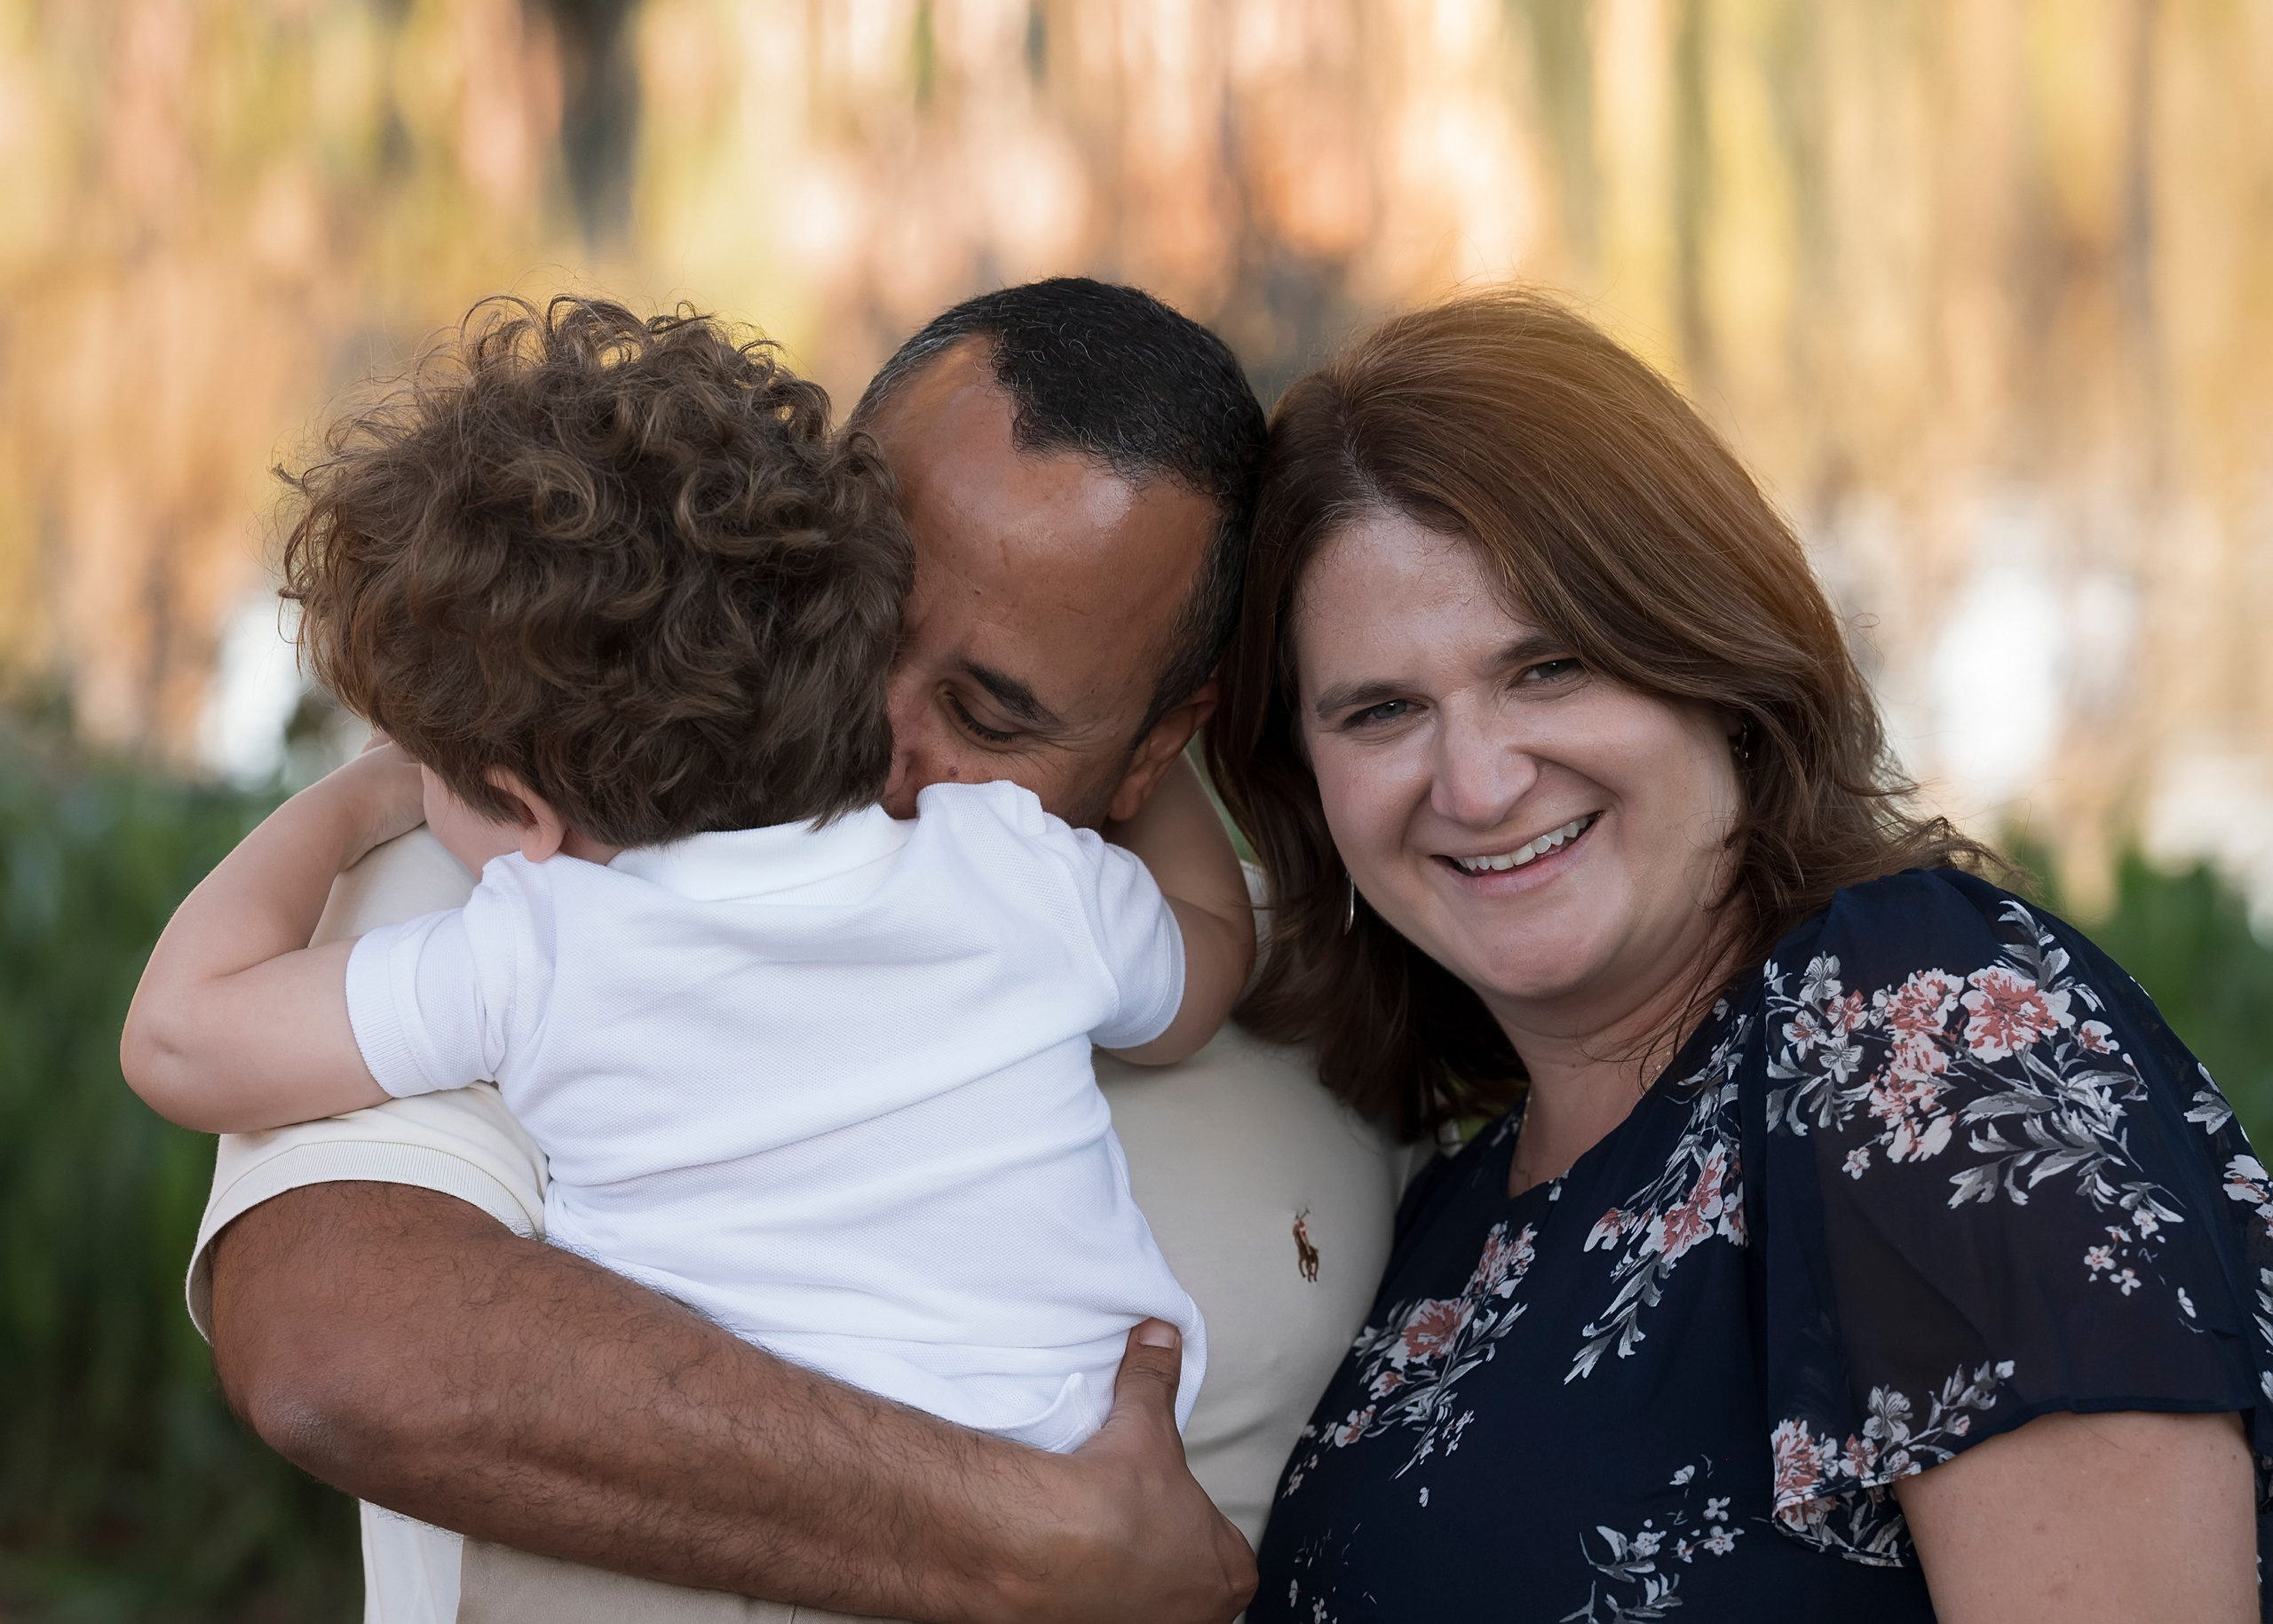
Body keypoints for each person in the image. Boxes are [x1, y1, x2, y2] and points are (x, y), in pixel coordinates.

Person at [185, 278, 1404, 1623]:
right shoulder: (520, 864)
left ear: (1160, 748)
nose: (871, 737)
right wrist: (1020, 1536)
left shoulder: (1327, 963)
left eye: (988, 716)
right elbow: (341, 1345)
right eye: (861, 619)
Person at [1208, 289, 2272, 1622]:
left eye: (1549, 668)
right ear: (1305, 782)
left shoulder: (1909, 1038)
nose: (1475, 783)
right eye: (1382, 710)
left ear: (1710, 658)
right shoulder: (1445, 1219)